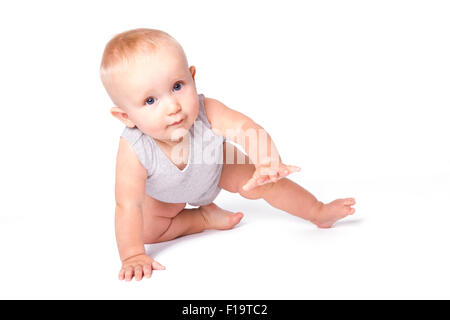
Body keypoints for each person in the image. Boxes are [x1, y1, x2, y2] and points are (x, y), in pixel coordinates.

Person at [100, 28, 356, 281]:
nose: (173, 106)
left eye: (177, 86)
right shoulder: (134, 149)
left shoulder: (207, 110)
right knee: (147, 230)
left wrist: (266, 161)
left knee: (266, 184)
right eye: (150, 101)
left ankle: (318, 212)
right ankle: (202, 218)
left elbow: (246, 129)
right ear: (126, 116)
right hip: (166, 195)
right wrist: (132, 255)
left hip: (218, 167)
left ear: (192, 77)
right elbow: (128, 205)